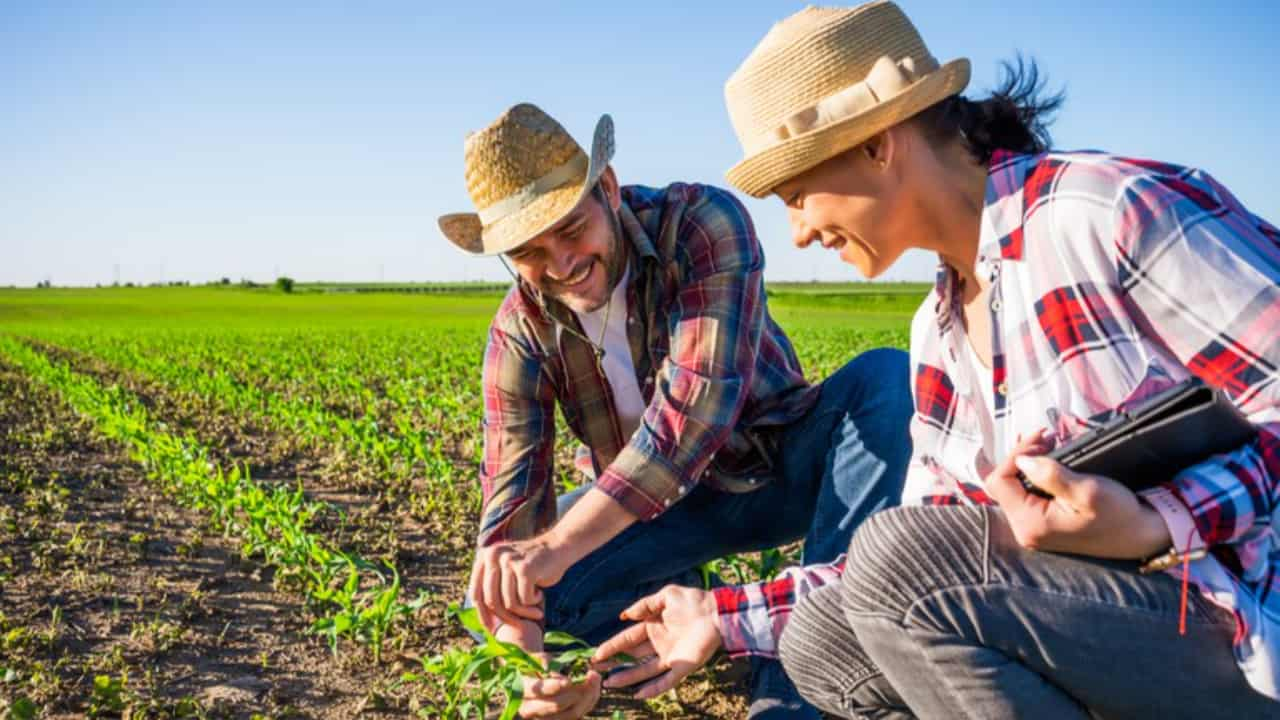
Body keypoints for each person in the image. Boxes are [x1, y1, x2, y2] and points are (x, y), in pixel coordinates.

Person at [594, 3, 1280, 718]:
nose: (796, 233)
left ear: (877, 144)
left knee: (898, 565)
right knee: (824, 640)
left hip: (1238, 627)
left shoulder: (1106, 213)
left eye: (797, 196)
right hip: (1113, 623)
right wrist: (722, 617)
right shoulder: (939, 330)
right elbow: (937, 542)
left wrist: (1155, 520)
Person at [439, 102, 914, 718]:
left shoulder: (699, 223)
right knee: (499, 607)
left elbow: (690, 420)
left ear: (606, 188)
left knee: (884, 380)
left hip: (777, 469)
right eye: (530, 251)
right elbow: (511, 500)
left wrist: (552, 553)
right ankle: (679, 619)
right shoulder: (520, 331)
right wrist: (530, 668)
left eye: (570, 228)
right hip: (653, 517)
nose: (561, 264)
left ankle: (799, 683)